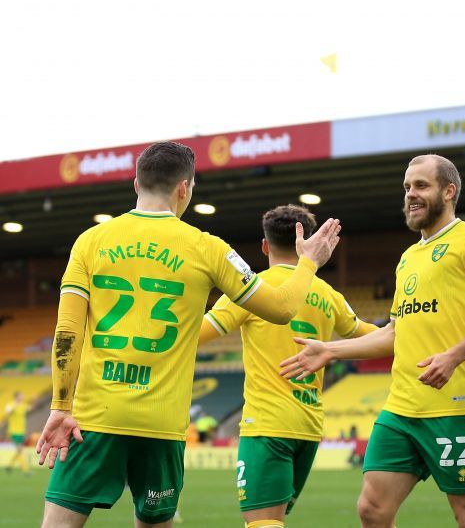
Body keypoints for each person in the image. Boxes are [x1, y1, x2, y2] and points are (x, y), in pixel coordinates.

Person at [35, 141, 341, 528]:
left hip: (94, 418)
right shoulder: (208, 248)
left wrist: (61, 407)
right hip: (161, 426)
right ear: (185, 188)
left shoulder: (90, 242)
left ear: (135, 184)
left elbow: (67, 333)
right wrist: (309, 263)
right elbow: (282, 307)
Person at [280, 154, 465, 528]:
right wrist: (330, 350)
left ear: (449, 191)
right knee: (372, 510)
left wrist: (452, 357)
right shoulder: (407, 258)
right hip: (402, 408)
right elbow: (394, 334)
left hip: (455, 407)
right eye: (407, 187)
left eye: (421, 186)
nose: (411, 195)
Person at [197, 204, 379, 528]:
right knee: (272, 520)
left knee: (263, 522)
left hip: (267, 424)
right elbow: (371, 336)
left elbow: (197, 334)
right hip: (308, 427)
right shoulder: (328, 293)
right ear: (307, 243)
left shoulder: (251, 289)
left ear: (265, 245)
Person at [5, 391, 31, 475]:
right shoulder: (11, 405)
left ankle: (9, 466)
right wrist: (15, 406)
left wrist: (34, 399)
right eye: (21, 396)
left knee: (19, 450)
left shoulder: (23, 405)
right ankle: (26, 470)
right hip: (13, 431)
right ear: (16, 397)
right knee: (20, 449)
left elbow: (30, 408)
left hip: (21, 431)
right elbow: (8, 412)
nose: (22, 397)